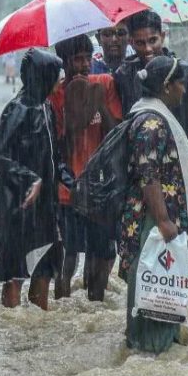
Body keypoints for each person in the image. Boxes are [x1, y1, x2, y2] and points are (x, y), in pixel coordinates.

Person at [118, 55, 188, 354]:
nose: (183, 89)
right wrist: (164, 221)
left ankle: (153, 349)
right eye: (180, 83)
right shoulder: (153, 123)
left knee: (159, 289)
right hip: (151, 220)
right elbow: (148, 175)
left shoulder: (153, 116)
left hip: (155, 219)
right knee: (153, 290)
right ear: (167, 87)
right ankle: (149, 351)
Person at [0, 49, 69, 310]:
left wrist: (68, 177)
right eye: (56, 74)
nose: (60, 79)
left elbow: (53, 153)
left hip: (45, 205)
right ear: (42, 76)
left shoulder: (45, 106)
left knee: (44, 267)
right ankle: (12, 325)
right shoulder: (18, 109)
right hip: (19, 205)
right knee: (16, 272)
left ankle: (38, 330)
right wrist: (28, 178)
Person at [49, 35, 122, 301]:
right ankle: (62, 306)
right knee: (67, 256)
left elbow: (117, 134)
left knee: (102, 253)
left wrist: (99, 102)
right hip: (68, 191)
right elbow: (57, 144)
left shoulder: (105, 84)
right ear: (64, 63)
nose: (83, 65)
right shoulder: (55, 95)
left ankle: (96, 304)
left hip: (101, 188)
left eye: (86, 59)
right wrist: (76, 104)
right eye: (76, 60)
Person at [113, 10, 188, 153]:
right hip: (138, 159)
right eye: (140, 43)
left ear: (163, 36)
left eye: (153, 40)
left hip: (180, 156)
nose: (148, 49)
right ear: (131, 42)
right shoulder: (124, 76)